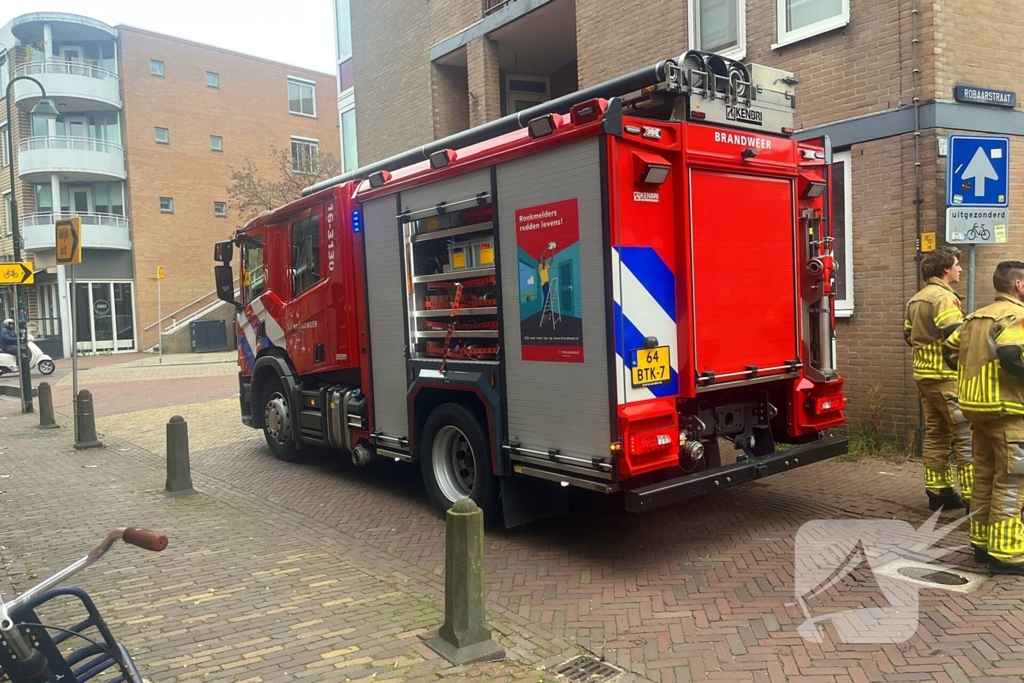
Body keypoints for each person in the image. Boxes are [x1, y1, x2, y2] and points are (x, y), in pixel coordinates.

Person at [945, 261, 1024, 574]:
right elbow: (1009, 354)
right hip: (1010, 413)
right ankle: (1007, 554)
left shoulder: (974, 316)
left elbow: (950, 352)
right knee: (1013, 483)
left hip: (978, 411)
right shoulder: (1017, 315)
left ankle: (981, 543)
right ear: (1018, 285)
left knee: (984, 477)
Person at [904, 247, 972, 512]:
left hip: (924, 377)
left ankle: (939, 493)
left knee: (936, 435)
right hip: (947, 378)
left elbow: (908, 336)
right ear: (945, 268)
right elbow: (955, 336)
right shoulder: (944, 298)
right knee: (967, 438)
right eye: (957, 264)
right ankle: (972, 497)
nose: (960, 269)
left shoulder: (916, 299)